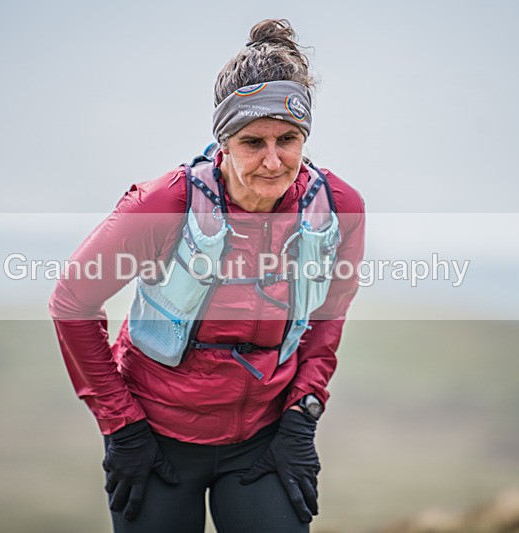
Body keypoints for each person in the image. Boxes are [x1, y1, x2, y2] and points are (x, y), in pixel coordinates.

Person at [49, 19, 365, 533]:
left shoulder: (337, 209)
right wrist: (121, 425)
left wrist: (303, 416)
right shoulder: (163, 205)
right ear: (223, 140)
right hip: (154, 439)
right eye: (251, 141)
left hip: (264, 441)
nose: (272, 159)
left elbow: (329, 314)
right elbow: (71, 303)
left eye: (288, 139)